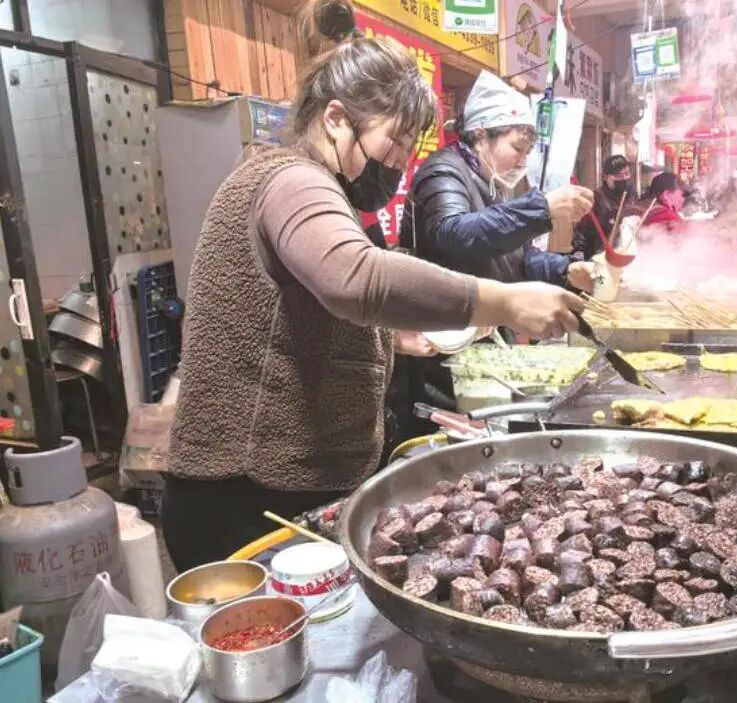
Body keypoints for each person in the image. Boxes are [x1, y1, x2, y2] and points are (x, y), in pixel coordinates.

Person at [162, 0, 585, 571]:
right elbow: (351, 278)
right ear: (336, 119)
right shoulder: (289, 179)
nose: (401, 162)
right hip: (246, 498)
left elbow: (300, 312)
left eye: (411, 148)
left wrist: (391, 338)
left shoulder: (317, 185)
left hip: (287, 487)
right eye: (394, 141)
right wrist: (505, 300)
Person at [402, 70, 595, 289]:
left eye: (527, 153)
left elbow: (514, 258)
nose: (522, 163)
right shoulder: (443, 170)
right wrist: (542, 208)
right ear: (480, 135)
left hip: (488, 316)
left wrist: (565, 269)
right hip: (448, 316)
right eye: (517, 148)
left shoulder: (491, 180)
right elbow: (453, 235)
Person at [571, 154, 639, 261]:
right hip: (600, 256)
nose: (624, 178)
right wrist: (578, 252)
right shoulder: (596, 199)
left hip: (627, 256)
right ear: (606, 177)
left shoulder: (632, 195)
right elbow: (581, 230)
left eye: (627, 173)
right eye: (619, 175)